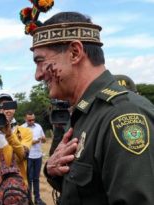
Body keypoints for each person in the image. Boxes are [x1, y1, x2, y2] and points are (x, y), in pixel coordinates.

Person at [29, 11, 154, 204]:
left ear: (75, 53)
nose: (38, 75)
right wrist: (52, 171)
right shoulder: (86, 113)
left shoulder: (123, 115)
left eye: (40, 61)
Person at [0, 93, 32, 201]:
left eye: (10, 106)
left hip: (20, 190)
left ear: (14, 109)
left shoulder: (25, 132)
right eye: (2, 107)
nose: (7, 110)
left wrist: (9, 135)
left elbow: (22, 155)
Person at [21, 112, 46, 205]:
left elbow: (44, 139)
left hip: (38, 155)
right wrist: (31, 142)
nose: (31, 121)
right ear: (25, 119)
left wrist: (43, 139)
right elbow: (20, 143)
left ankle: (37, 199)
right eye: (29, 120)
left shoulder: (39, 126)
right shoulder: (22, 128)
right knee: (28, 179)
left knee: (36, 178)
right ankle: (29, 199)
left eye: (33, 119)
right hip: (28, 157)